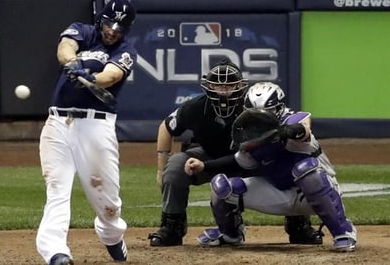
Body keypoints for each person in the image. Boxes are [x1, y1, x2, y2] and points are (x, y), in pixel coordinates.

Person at [148, 62, 322, 247]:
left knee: (287, 160)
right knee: (175, 167)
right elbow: (166, 128)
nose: (224, 91)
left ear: (240, 86)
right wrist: (161, 169)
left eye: (230, 85)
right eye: (218, 85)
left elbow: (296, 117)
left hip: (252, 158)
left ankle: (299, 225)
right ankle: (172, 226)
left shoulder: (251, 103)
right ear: (209, 86)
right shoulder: (195, 107)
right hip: (209, 155)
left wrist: (301, 129)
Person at [186, 82, 357, 252]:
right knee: (221, 186)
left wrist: (284, 132)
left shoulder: (293, 121)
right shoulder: (250, 136)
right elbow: (236, 162)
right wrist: (204, 165)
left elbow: (303, 130)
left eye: (265, 114)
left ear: (279, 109)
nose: (259, 120)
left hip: (318, 192)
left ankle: (343, 231)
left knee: (306, 169)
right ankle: (230, 234)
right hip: (279, 193)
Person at [35, 0, 137, 265]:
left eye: (119, 27)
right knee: (57, 188)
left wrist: (90, 77)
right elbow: (65, 48)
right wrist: (72, 64)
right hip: (58, 123)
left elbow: (111, 76)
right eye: (109, 24)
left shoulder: (126, 51)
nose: (112, 31)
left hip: (96, 127)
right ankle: (55, 252)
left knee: (108, 204)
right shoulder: (83, 31)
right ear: (100, 19)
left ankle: (112, 235)